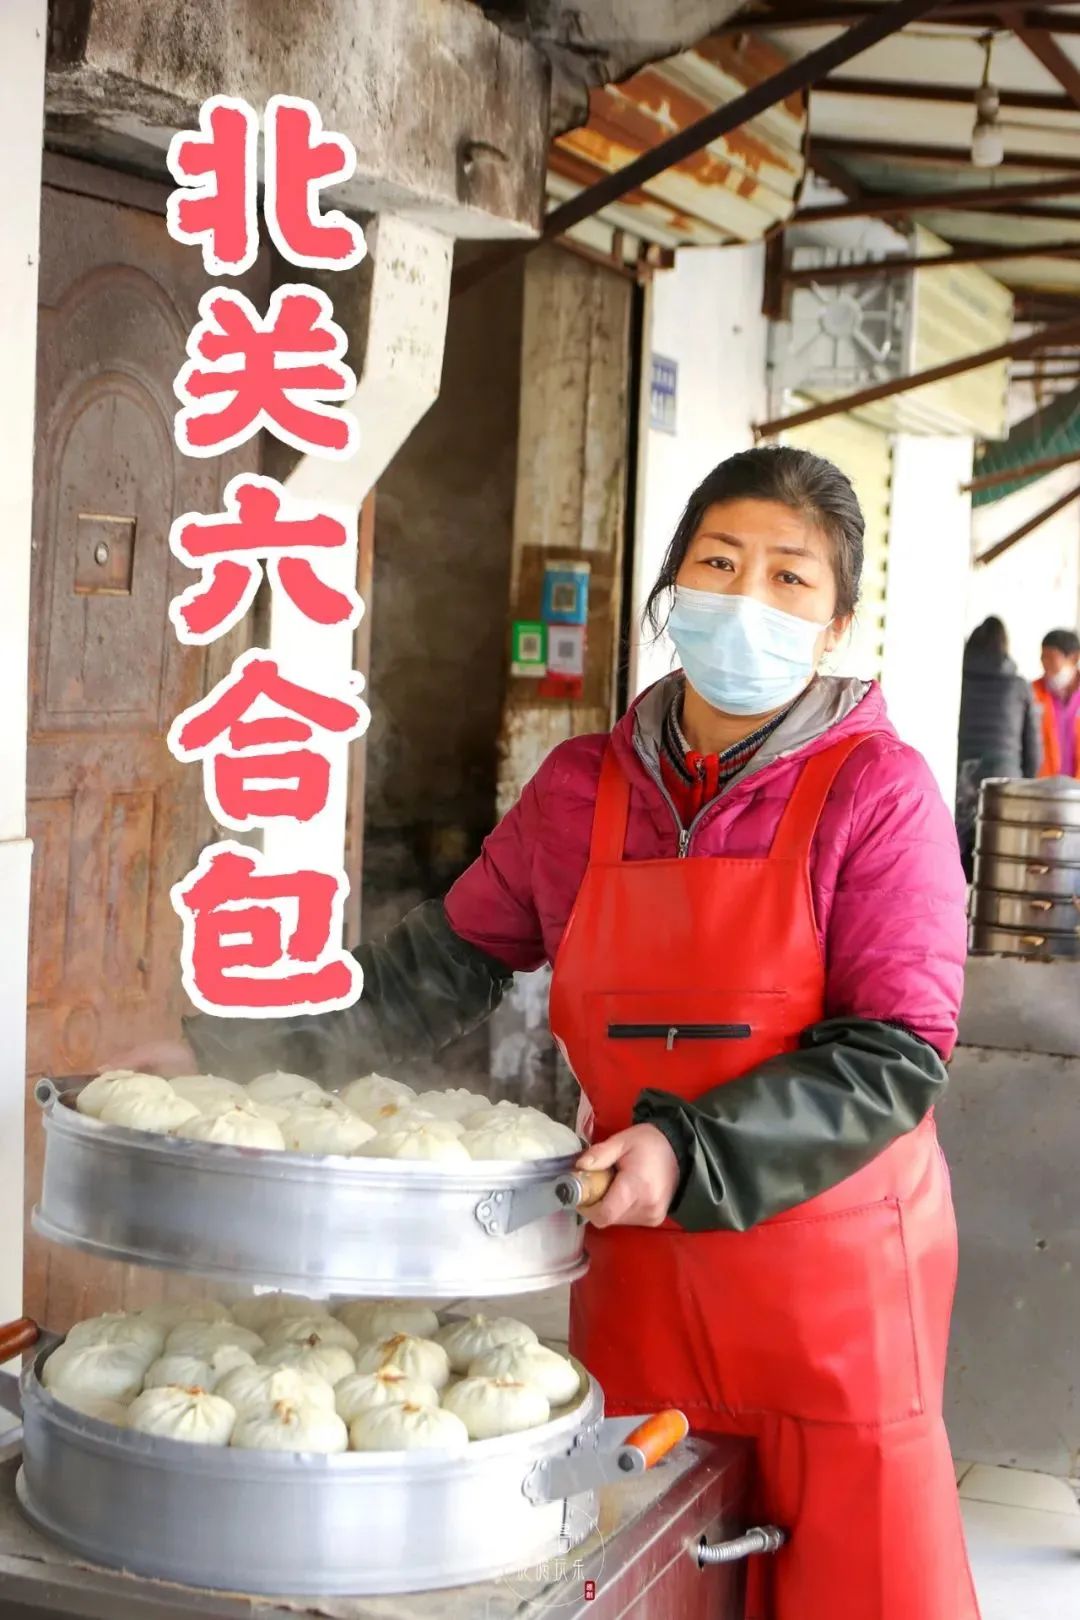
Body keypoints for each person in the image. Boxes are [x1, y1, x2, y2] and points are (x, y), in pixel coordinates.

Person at [113, 447, 977, 1620]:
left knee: (847, 1579)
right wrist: (228, 1059)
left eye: (789, 580)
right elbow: (435, 971)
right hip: (635, 1264)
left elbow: (896, 1052)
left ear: (832, 627)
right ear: (673, 590)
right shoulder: (583, 789)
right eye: (720, 564)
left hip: (833, 1279)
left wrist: (690, 1151)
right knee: (633, 1563)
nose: (747, 601)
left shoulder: (879, 793)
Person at [955, 616, 1042, 879]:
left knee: (957, 855)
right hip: (1005, 781)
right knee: (998, 859)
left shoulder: (957, 679)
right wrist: (1025, 785)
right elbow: (1033, 749)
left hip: (959, 778)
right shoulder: (1018, 686)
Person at [1034, 627, 1080, 778]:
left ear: (1073, 658)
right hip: (1044, 787)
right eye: (1043, 658)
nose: (1046, 665)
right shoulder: (1033, 692)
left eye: (1051, 658)